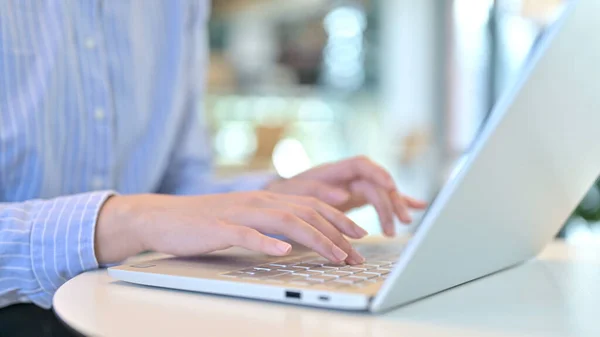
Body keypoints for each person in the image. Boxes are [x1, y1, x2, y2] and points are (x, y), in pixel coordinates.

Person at [0, 1, 425, 335]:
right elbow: (149, 214)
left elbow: (179, 182)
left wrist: (272, 201)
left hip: (135, 302)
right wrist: (123, 219)